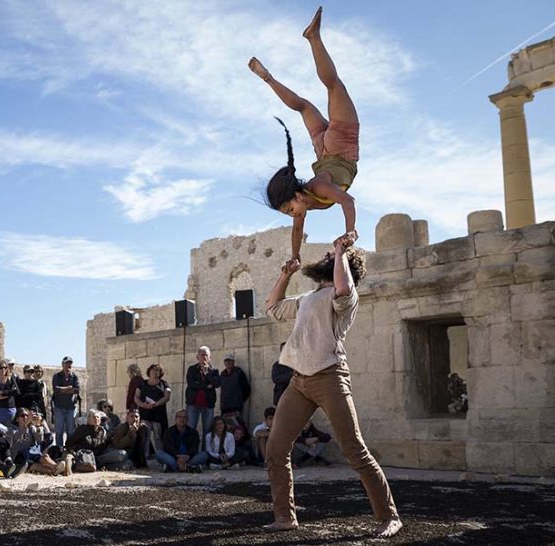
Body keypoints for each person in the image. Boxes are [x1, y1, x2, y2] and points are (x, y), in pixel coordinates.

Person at [264, 242, 401, 537]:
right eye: (330, 255)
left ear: (345, 267)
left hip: (330, 377)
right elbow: (273, 308)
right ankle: (285, 517)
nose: (326, 256)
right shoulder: (308, 298)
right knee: (275, 450)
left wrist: (341, 254)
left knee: (354, 450)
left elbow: (342, 289)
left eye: (333, 256)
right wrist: (286, 274)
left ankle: (389, 516)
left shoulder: (346, 297)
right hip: (298, 381)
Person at [249, 7, 359, 266]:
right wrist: (295, 257)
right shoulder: (303, 205)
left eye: (289, 209)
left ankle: (314, 38)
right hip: (324, 151)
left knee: (334, 86)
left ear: (297, 195)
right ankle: (268, 78)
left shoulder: (317, 189)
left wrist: (350, 230)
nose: (292, 216)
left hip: (340, 148)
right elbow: (296, 232)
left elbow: (347, 200)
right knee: (304, 107)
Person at [135, 363, 170, 459]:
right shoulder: (142, 384)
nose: (155, 372)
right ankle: (144, 458)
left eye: (157, 370)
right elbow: (136, 397)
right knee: (145, 437)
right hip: (145, 413)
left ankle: (161, 457)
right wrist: (143, 405)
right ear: (149, 371)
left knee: (158, 436)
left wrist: (157, 404)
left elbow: (167, 397)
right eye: (153, 370)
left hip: (158, 414)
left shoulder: (164, 384)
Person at [185, 346, 220, 436]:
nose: (204, 357)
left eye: (206, 355)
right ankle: (191, 449)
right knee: (191, 427)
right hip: (193, 403)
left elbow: (216, 384)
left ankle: (206, 449)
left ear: (210, 357)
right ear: (197, 357)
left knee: (208, 430)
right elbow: (191, 384)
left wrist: (207, 373)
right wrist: (207, 386)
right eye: (202, 355)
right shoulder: (192, 369)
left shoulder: (214, 371)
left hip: (208, 404)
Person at [51, 356, 80, 448]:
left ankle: (69, 448)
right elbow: (56, 390)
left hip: (71, 407)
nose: (68, 365)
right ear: (62, 364)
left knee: (71, 431)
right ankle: (59, 450)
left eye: (70, 363)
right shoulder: (57, 376)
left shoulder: (74, 377)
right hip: (59, 407)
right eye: (66, 363)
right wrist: (68, 388)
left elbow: (77, 390)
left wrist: (62, 389)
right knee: (59, 431)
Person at [219, 354, 251, 426]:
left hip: (236, 407)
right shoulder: (222, 374)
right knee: (225, 427)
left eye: (230, 361)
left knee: (238, 427)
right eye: (226, 361)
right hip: (225, 407)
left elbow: (247, 388)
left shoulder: (239, 372)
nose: (228, 363)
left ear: (233, 362)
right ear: (224, 363)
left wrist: (239, 399)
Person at [0, 360, 19, 425]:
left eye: (5, 367)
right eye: (1, 368)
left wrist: (2, 393)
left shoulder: (11, 380)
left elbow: (16, 392)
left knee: (9, 432)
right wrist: (10, 393)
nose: (3, 369)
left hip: (10, 411)